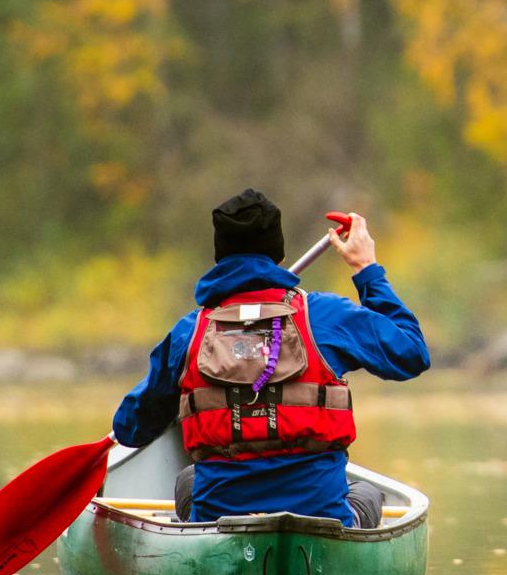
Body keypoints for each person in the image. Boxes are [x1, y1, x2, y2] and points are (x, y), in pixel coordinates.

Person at [112, 189, 429, 526]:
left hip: (219, 519)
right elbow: (411, 353)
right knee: (366, 494)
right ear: (277, 251)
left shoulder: (188, 333)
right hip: (321, 517)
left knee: (188, 481)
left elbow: (130, 429)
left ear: (220, 253)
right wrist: (366, 268)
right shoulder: (323, 316)